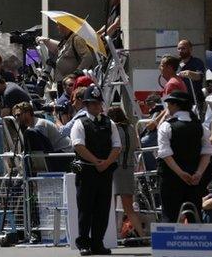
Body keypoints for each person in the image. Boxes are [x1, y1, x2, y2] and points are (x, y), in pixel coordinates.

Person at [71, 85, 121, 256]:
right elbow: (78, 145)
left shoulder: (109, 123)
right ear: (86, 105)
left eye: (98, 103)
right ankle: (83, 243)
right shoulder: (80, 122)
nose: (95, 107)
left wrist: (106, 162)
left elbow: (117, 146)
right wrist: (96, 161)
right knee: (85, 209)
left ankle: (97, 242)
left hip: (105, 171)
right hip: (87, 172)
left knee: (102, 209)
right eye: (92, 104)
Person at [156, 91, 212, 223]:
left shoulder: (167, 126)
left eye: (169, 104)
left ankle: (169, 243)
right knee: (195, 215)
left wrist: (181, 173)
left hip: (171, 177)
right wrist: (198, 173)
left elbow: (165, 154)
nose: (167, 107)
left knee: (171, 215)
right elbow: (207, 153)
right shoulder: (201, 127)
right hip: (194, 178)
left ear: (175, 105)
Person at [107, 106, 144, 238]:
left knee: (108, 206)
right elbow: (136, 146)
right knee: (129, 208)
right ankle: (142, 234)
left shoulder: (113, 129)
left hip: (114, 167)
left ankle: (109, 237)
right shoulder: (131, 128)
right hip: (128, 167)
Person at [13, 102, 72, 173]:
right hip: (56, 152)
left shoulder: (39, 125)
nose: (16, 118)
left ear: (28, 112)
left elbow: (41, 148)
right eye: (15, 116)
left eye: (19, 115)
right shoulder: (30, 128)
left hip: (65, 152)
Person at [37, 22, 95, 86]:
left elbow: (87, 57)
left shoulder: (77, 39)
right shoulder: (66, 40)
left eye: (59, 25)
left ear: (66, 26)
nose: (57, 27)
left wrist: (76, 73)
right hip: (62, 81)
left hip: (72, 83)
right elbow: (60, 53)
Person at [177, 40, 205, 108]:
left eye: (183, 48)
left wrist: (189, 73)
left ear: (190, 49)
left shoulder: (197, 62)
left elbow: (199, 76)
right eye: (179, 49)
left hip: (195, 101)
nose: (180, 50)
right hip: (180, 101)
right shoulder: (176, 64)